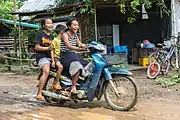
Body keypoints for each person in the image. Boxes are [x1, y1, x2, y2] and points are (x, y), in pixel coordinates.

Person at [60, 18, 88, 94]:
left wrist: (86, 46)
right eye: (74, 25)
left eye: (77, 25)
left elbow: (80, 43)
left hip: (72, 55)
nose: (77, 27)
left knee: (88, 64)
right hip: (65, 55)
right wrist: (78, 49)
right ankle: (73, 86)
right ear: (69, 26)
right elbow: (68, 46)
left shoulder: (75, 35)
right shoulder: (65, 35)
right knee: (77, 65)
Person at [34, 18, 54, 101]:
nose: (50, 25)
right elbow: (37, 47)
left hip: (50, 57)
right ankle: (39, 93)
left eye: (51, 23)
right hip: (42, 57)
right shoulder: (40, 34)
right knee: (46, 71)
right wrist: (47, 48)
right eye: (48, 23)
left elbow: (52, 49)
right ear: (43, 25)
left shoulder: (52, 36)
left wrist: (53, 60)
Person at [50, 24, 66, 90]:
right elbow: (52, 50)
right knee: (60, 67)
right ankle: (56, 82)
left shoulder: (65, 40)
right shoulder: (55, 40)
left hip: (64, 57)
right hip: (57, 58)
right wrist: (53, 61)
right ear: (62, 32)